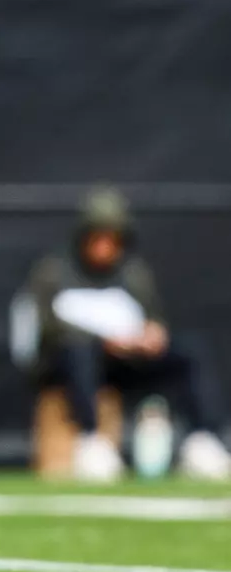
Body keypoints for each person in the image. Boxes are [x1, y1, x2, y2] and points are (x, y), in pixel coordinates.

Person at [23, 186, 231, 483]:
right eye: (98, 238)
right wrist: (104, 341)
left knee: (190, 350)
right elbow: (48, 327)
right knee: (79, 349)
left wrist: (151, 334)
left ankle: (202, 440)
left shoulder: (132, 274)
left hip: (125, 364)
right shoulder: (54, 272)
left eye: (113, 240)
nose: (105, 248)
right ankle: (92, 443)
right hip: (70, 364)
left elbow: (152, 317)